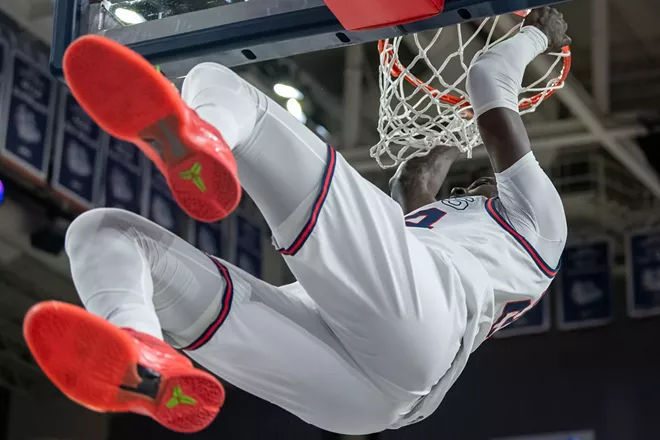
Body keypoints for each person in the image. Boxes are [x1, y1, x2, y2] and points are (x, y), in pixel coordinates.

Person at [24, 7, 569, 435]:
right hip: (369, 402)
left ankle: (206, 135)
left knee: (217, 81)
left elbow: (488, 75)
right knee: (102, 231)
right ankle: (142, 352)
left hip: (423, 327)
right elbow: (412, 185)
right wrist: (448, 142)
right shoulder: (442, 235)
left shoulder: (542, 223)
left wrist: (535, 37)